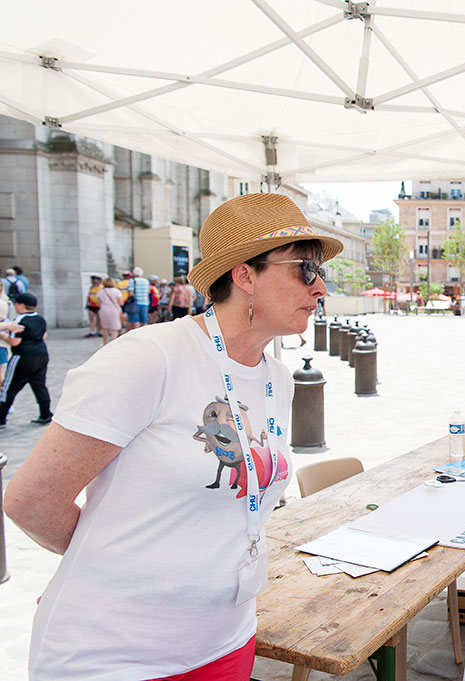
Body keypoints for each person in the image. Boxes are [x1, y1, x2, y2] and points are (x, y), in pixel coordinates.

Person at [3, 192, 341, 680]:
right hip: (114, 653)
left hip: (226, 640)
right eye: (305, 270)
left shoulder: (277, 377)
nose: (320, 287)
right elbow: (30, 500)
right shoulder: (148, 358)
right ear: (244, 275)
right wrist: (113, 567)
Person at [0, 292, 52, 428]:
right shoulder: (40, 319)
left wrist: (3, 337)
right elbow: (44, 335)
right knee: (39, 385)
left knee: (9, 387)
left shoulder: (19, 320)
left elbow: (15, 342)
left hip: (23, 356)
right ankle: (46, 414)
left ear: (21, 305)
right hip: (41, 355)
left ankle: (1, 417)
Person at [96, 277, 124, 345]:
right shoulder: (116, 291)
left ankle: (105, 343)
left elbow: (99, 302)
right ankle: (113, 343)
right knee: (114, 328)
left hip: (103, 309)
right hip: (113, 310)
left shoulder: (100, 291)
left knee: (105, 328)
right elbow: (120, 303)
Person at [125, 266, 150, 330]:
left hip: (135, 304)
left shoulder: (132, 281)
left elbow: (130, 293)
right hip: (145, 302)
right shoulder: (146, 281)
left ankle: (136, 335)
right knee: (144, 321)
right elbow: (148, 292)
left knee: (135, 321)